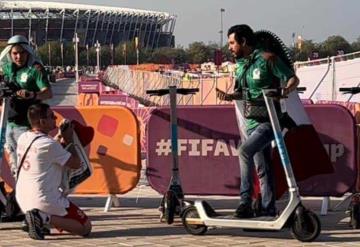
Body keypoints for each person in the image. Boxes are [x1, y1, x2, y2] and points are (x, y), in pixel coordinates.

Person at [217, 24, 299, 218]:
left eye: (232, 43)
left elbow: (292, 78)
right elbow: (242, 93)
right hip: (250, 123)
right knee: (263, 168)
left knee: (244, 151)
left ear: (243, 41)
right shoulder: (241, 66)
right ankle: (269, 208)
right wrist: (228, 96)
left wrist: (284, 91)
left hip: (270, 120)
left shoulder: (267, 59)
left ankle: (244, 202)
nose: (229, 47)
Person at [15, 103, 92, 240]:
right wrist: (69, 140)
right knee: (85, 227)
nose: (56, 118)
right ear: (43, 122)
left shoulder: (24, 137)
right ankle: (43, 218)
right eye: (52, 116)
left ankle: (36, 220)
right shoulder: (49, 145)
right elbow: (76, 164)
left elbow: (46, 150)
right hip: (43, 199)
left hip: (22, 198)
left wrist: (59, 136)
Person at [0, 35, 53, 176]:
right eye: (15, 53)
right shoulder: (6, 69)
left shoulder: (35, 69)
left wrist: (32, 95)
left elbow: (48, 93)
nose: (18, 57)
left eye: (21, 52)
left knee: (28, 165)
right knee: (15, 167)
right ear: (10, 54)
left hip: (27, 125)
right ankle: (19, 195)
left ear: (28, 52)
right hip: (8, 124)